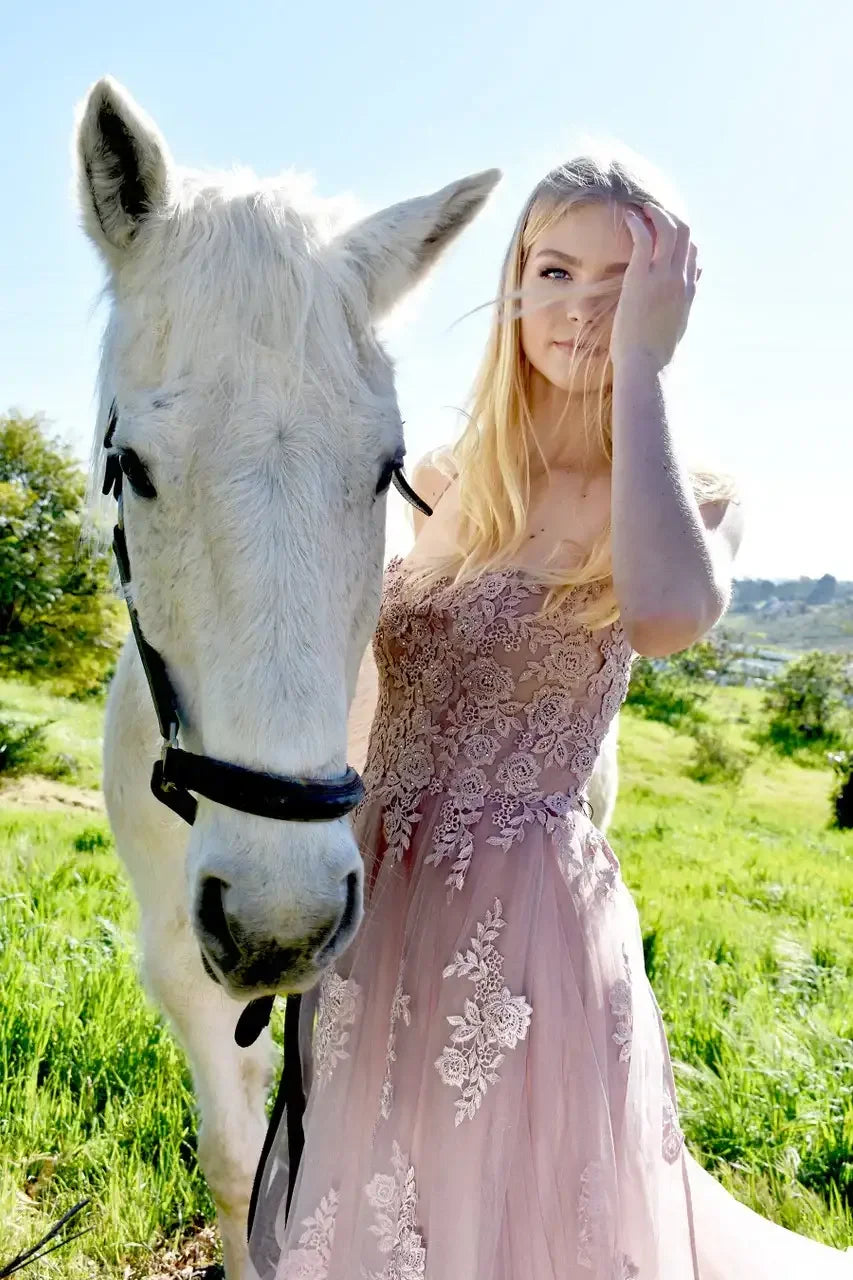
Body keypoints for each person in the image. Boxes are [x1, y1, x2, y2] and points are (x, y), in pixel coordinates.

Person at [248, 153, 853, 1278]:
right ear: (515, 278)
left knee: (507, 1221)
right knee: (379, 1201)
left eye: (620, 282)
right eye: (555, 268)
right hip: (379, 891)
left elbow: (670, 611)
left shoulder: (693, 496)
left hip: (521, 922)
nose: (579, 305)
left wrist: (641, 367)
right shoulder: (433, 475)